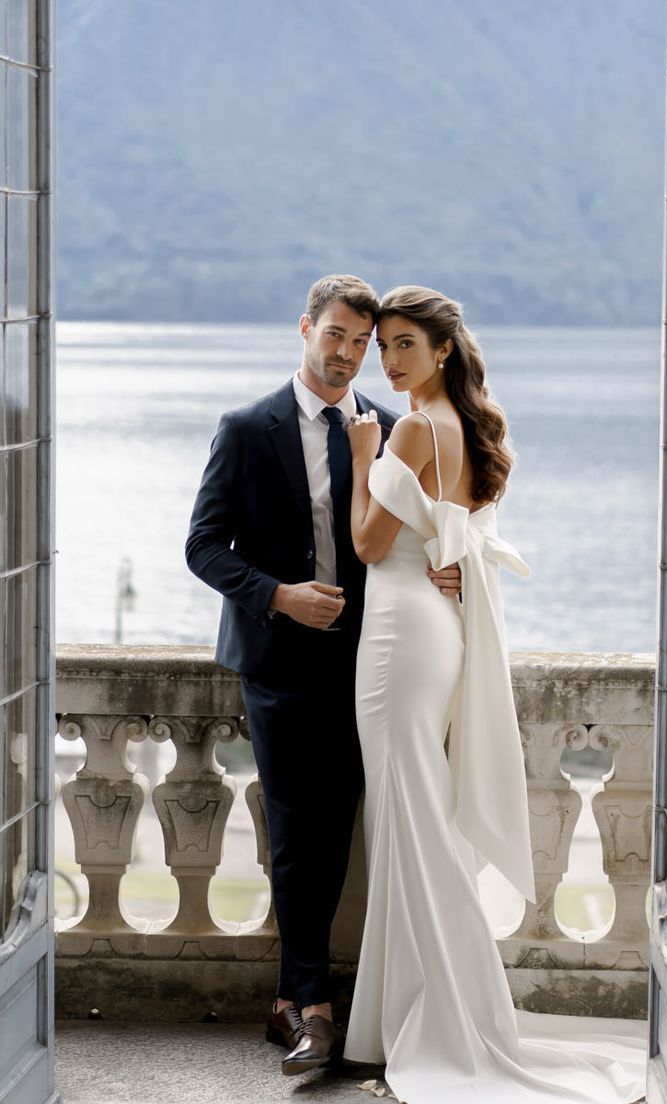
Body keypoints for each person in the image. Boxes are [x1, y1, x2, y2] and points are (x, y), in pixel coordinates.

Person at [342, 286, 648, 1103]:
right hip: (437, 625)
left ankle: (451, 1019)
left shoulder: (408, 426)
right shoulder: (471, 430)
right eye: (385, 347)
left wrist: (362, 457)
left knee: (412, 825)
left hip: (401, 632)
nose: (390, 360)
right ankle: (399, 1018)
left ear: (442, 350)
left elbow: (370, 542)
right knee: (415, 820)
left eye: (405, 345)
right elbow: (461, 535)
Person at [184, 275, 461, 1077]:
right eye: (334, 335)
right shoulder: (245, 428)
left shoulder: (383, 423)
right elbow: (203, 547)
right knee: (296, 833)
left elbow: (419, 522)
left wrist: (448, 569)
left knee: (337, 835)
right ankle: (313, 1010)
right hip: (277, 662)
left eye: (359, 342)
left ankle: (297, 1002)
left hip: (368, 660)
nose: (345, 355)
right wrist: (279, 596)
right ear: (305, 328)